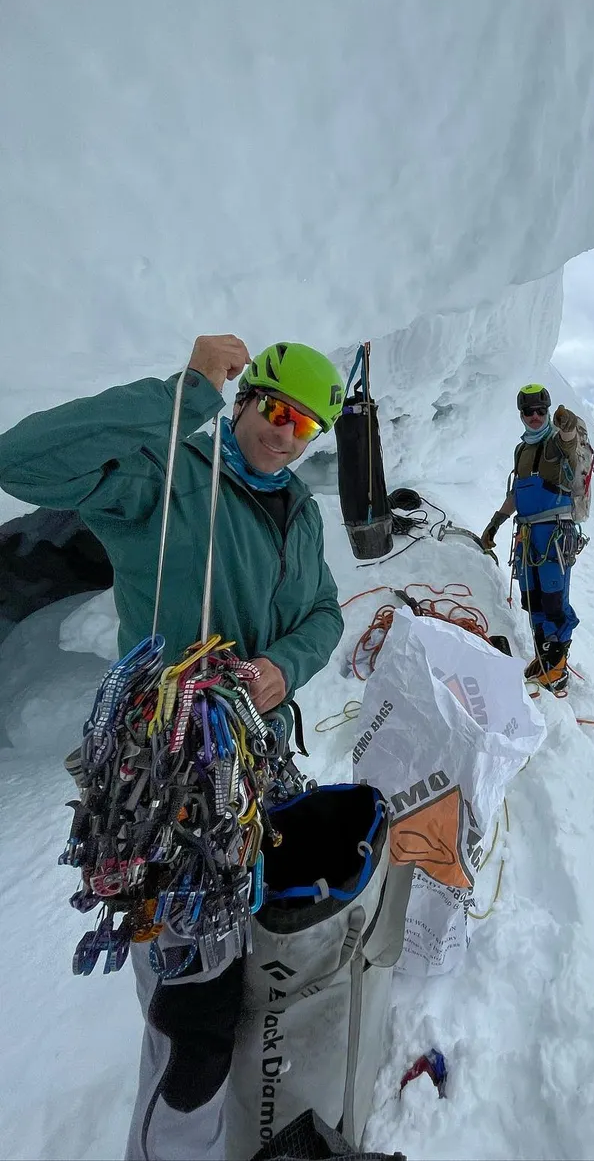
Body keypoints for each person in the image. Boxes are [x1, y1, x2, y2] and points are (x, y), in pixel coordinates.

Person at [0, 334, 346, 1161]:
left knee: (226, 993)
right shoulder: (167, 479)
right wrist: (183, 391)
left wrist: (280, 669)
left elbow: (326, 612)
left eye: (307, 423)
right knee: (190, 1024)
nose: (286, 433)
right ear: (246, 397)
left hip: (246, 778)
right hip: (162, 793)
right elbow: (22, 461)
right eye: (275, 408)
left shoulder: (297, 513)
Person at [480, 383, 582, 693]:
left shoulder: (557, 442)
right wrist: (496, 522)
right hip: (526, 534)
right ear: (521, 414)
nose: (535, 416)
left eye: (541, 410)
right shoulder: (522, 449)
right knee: (532, 600)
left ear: (548, 411)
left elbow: (570, 444)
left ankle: (558, 667)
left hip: (553, 533)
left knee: (554, 600)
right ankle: (544, 655)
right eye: (529, 411)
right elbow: (517, 493)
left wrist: (568, 427)